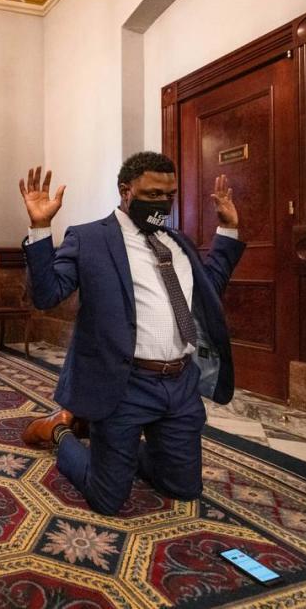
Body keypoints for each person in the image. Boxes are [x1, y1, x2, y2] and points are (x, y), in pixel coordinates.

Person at [19, 151, 244, 516]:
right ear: (126, 191)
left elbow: (208, 289)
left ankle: (123, 449)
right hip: (123, 384)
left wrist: (227, 231)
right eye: (152, 194)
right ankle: (60, 431)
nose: (163, 202)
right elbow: (46, 296)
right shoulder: (89, 238)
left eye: (169, 195)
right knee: (107, 499)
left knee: (183, 488)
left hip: (179, 383)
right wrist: (41, 229)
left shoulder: (178, 242)